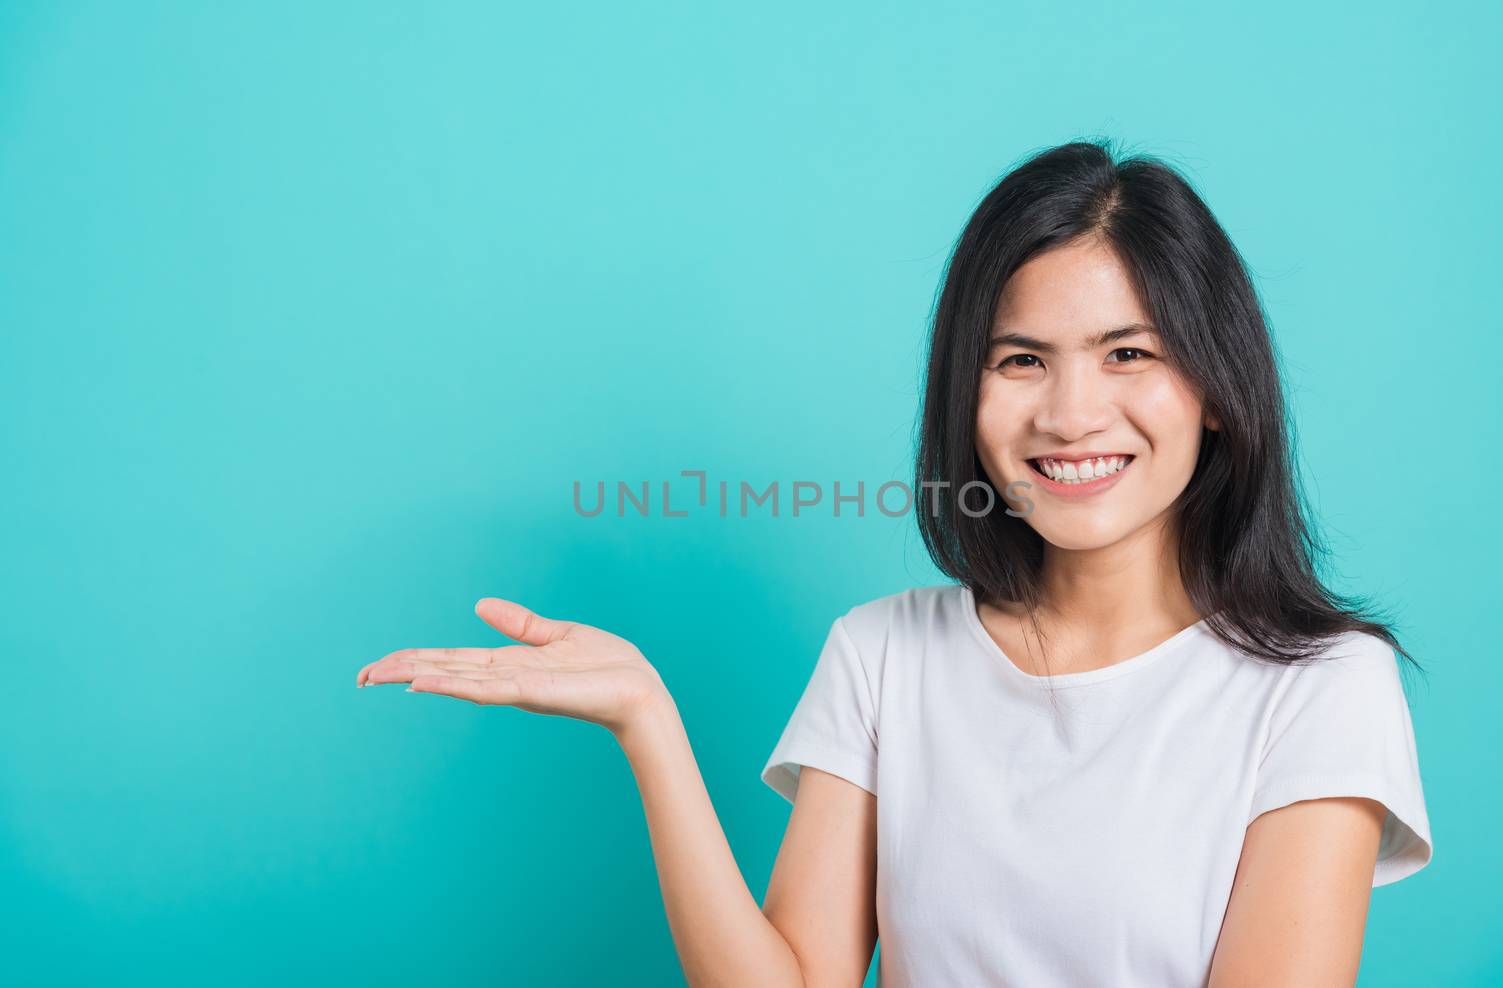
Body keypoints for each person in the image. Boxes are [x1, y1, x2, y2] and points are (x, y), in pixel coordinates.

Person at [355, 139, 1433, 987]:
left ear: (1214, 388)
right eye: (1020, 360)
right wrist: (649, 720)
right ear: (965, 395)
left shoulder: (1320, 688)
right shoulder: (882, 655)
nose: (1069, 413)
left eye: (1128, 354)